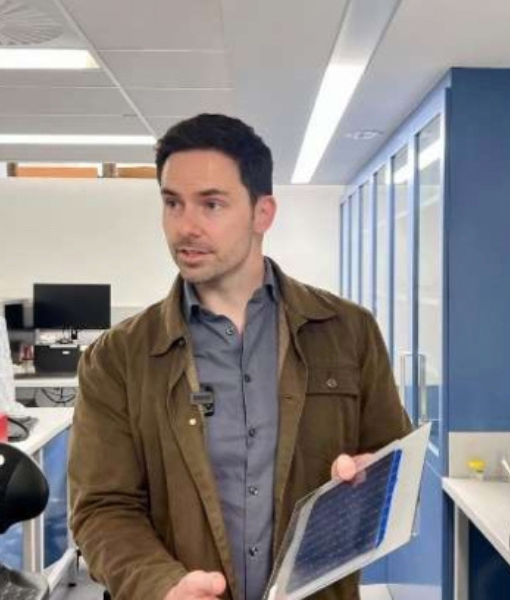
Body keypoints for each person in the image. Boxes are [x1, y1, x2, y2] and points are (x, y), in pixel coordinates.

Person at [68, 113, 411, 600]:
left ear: (262, 213)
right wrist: (161, 585)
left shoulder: (347, 332)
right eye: (172, 203)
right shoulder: (118, 358)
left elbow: (394, 463)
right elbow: (102, 507)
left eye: (211, 204)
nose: (185, 226)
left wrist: (368, 483)